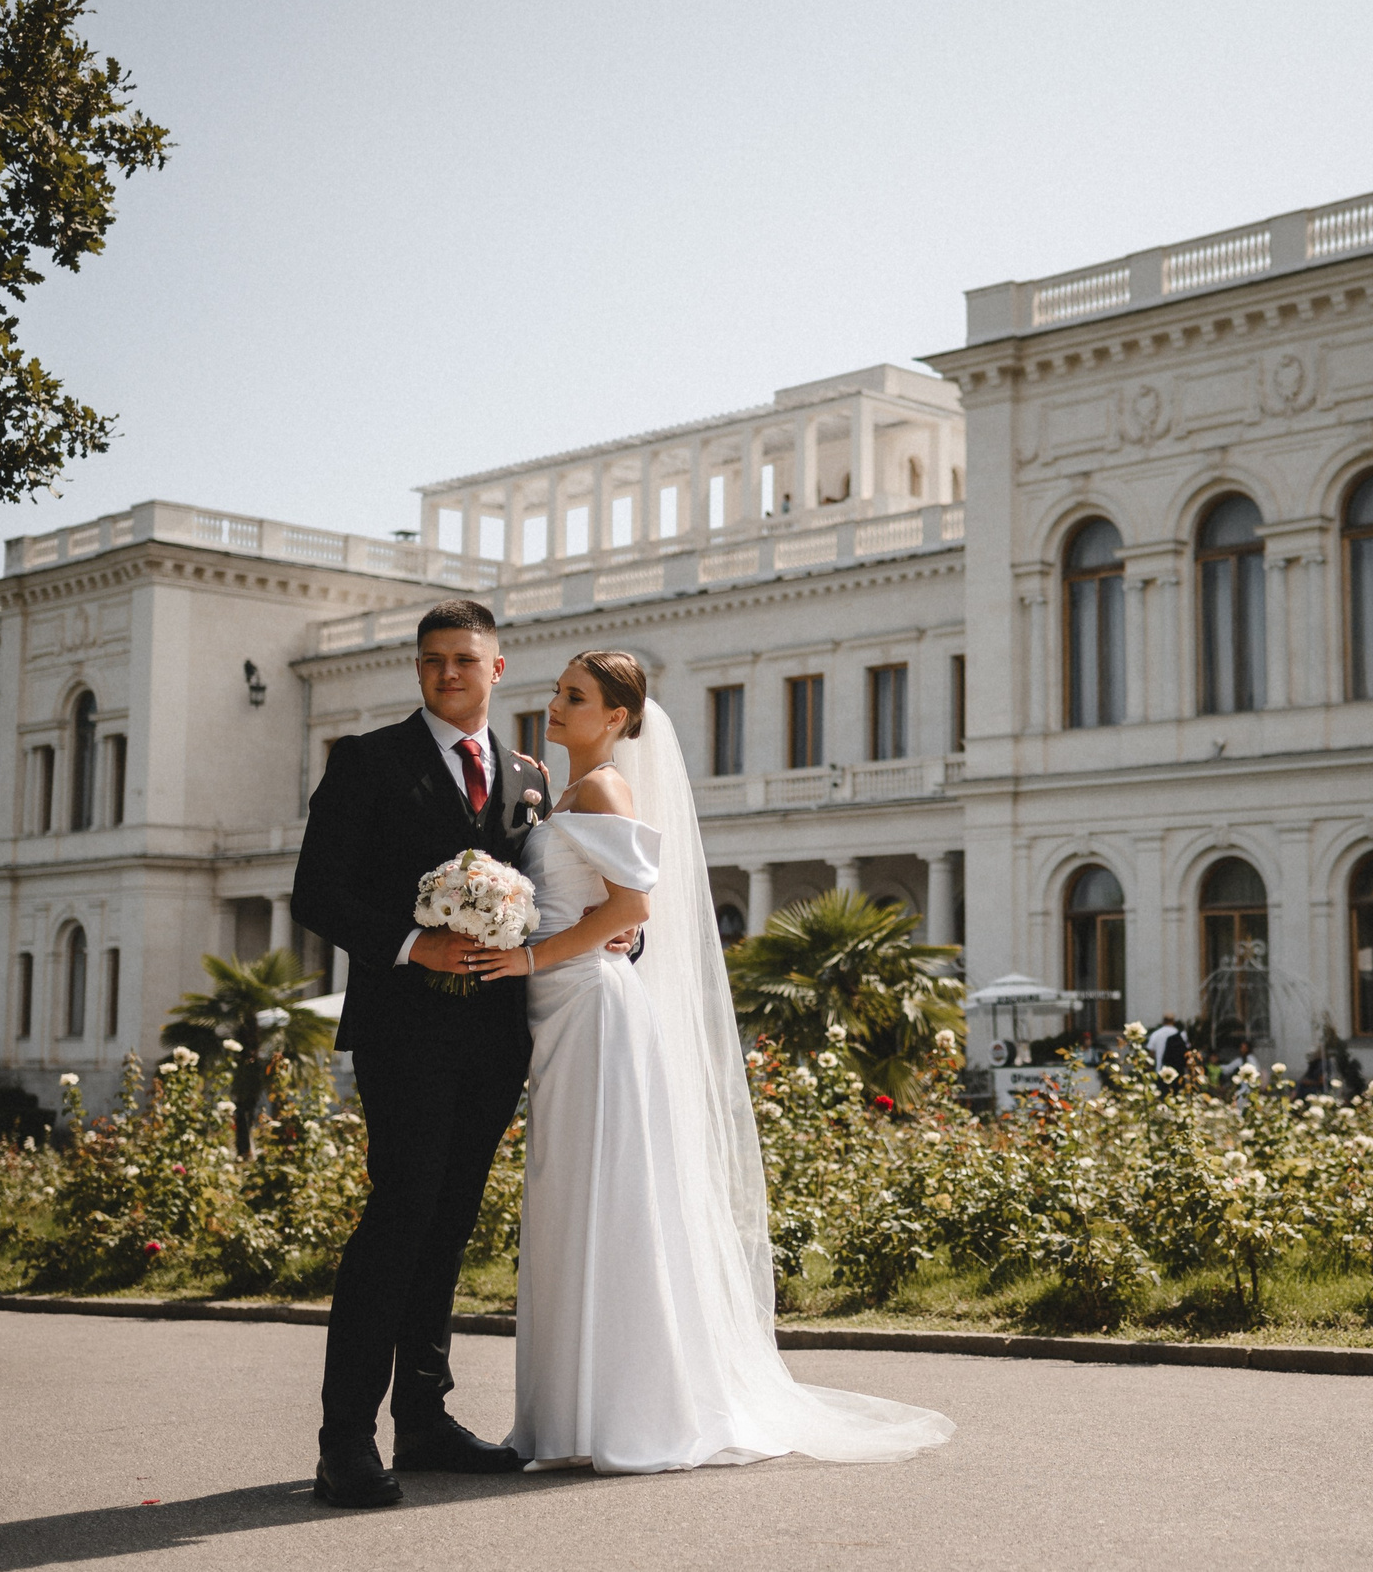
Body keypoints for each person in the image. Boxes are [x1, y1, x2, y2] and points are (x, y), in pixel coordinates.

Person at [473, 651, 954, 1473]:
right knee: (575, 1198)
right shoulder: (567, 793)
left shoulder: (604, 788)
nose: (554, 706)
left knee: (608, 1199)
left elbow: (633, 906)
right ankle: (577, 1413)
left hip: (591, 1009)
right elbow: (604, 904)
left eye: (575, 697)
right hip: (563, 1010)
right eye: (556, 692)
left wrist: (528, 958)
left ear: (618, 718)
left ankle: (627, 1411)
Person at [290, 600, 555, 1507]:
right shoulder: (366, 762)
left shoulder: (528, 774)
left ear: (497, 668)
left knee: (449, 1225)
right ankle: (343, 1442)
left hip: (494, 1038)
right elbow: (315, 892)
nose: (449, 673)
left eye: (465, 659)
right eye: (434, 660)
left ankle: (427, 1420)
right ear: (418, 669)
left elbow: (550, 893)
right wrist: (412, 942)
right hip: (403, 1033)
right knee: (400, 1217)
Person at [1145, 1013, 1190, 1086]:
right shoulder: (1181, 1034)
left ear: (1163, 1021)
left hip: (1160, 1071)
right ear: (1173, 1021)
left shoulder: (1156, 1034)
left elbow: (1151, 1053)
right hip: (1177, 1071)